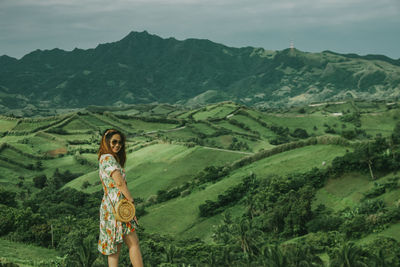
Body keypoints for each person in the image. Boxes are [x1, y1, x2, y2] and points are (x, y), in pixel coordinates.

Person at [97, 129, 143, 267]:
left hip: (108, 205)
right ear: (106, 142)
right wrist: (131, 202)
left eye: (120, 143)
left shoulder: (103, 158)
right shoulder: (109, 158)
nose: (118, 145)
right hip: (118, 205)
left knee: (114, 249)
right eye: (114, 142)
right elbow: (119, 183)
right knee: (133, 243)